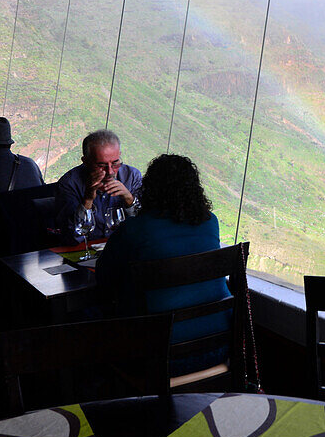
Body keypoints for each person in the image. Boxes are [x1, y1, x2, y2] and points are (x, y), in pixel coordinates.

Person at [96, 154, 229, 376]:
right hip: (218, 347)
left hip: (159, 356)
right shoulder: (210, 222)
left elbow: (105, 279)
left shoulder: (134, 229)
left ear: (150, 189)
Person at [55, 129, 142, 242]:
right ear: (85, 162)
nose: (110, 171)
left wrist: (129, 199)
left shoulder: (132, 176)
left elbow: (145, 226)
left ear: (119, 155)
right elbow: (71, 236)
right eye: (101, 165)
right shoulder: (69, 183)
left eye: (115, 163)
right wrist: (88, 200)